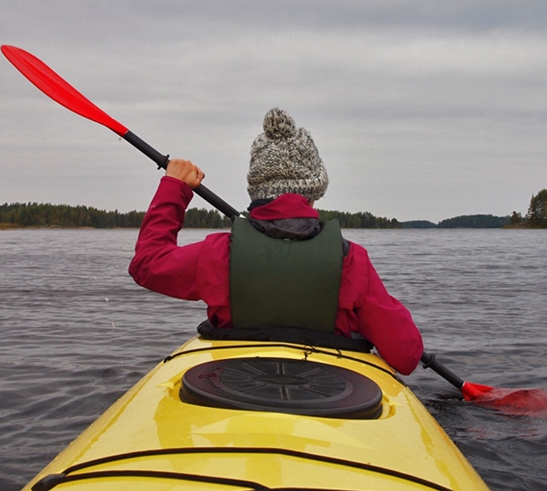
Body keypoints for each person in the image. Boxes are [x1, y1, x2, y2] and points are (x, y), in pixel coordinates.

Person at [129, 108, 423, 374]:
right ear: (315, 187)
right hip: (327, 403)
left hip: (234, 396)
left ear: (256, 187)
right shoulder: (350, 259)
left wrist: (174, 187)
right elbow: (406, 356)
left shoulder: (219, 253)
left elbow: (147, 263)